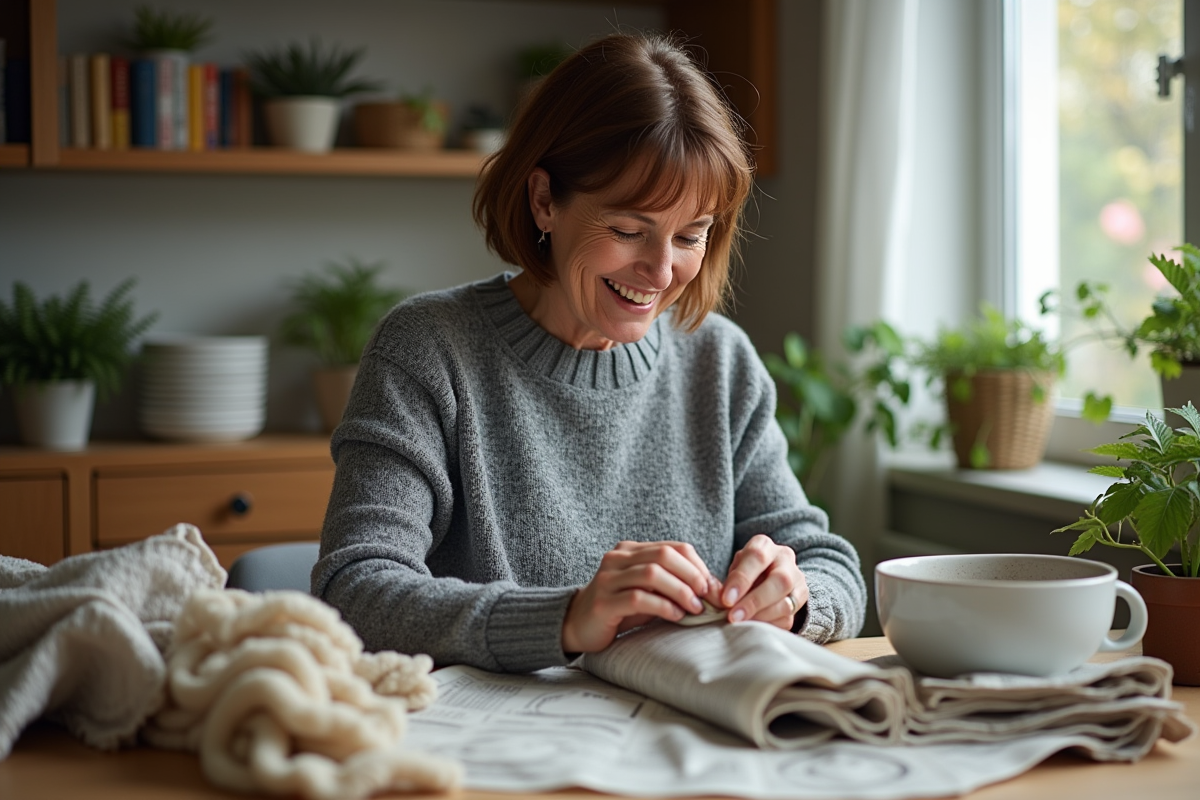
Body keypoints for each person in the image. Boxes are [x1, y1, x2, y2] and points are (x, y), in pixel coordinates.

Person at [312, 32, 866, 672]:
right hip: (488, 752)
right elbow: (352, 590)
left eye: (691, 235)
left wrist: (794, 597)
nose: (661, 270)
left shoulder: (720, 362)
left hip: (676, 745)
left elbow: (830, 565)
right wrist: (568, 619)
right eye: (629, 230)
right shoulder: (429, 350)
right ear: (545, 200)